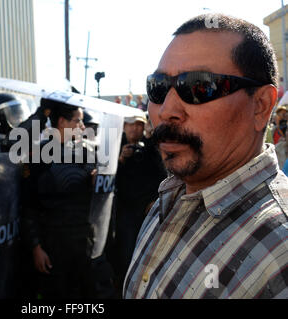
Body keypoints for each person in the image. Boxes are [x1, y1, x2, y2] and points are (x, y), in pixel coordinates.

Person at [124, 14, 287, 299]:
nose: (167, 110)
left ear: (261, 105)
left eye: (199, 87)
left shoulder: (280, 249)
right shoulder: (168, 199)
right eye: (158, 87)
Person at [20, 100, 98, 299]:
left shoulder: (87, 153)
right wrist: (36, 247)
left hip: (83, 243)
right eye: (78, 121)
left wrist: (95, 181)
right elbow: (29, 205)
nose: (83, 127)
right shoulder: (38, 156)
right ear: (62, 122)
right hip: (52, 245)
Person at [109, 111, 167, 296]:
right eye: (131, 124)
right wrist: (120, 159)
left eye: (139, 124)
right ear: (124, 126)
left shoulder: (152, 146)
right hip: (125, 213)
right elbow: (104, 180)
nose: (135, 128)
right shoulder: (113, 146)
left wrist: (154, 201)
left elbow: (162, 174)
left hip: (149, 211)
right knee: (125, 255)